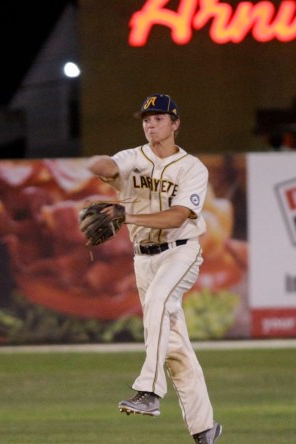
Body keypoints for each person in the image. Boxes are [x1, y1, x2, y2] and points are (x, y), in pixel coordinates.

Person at [85, 93, 223, 444]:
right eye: (147, 118)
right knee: (175, 347)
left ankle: (149, 391)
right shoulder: (133, 158)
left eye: (159, 118)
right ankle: (204, 429)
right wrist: (98, 164)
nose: (151, 124)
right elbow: (111, 167)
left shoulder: (192, 168)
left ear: (175, 123)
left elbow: (179, 216)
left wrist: (125, 214)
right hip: (142, 258)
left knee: (161, 301)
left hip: (181, 250)